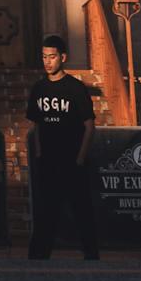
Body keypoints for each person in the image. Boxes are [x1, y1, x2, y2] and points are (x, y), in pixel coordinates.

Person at [24, 32, 100, 262]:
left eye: (52, 57)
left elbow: (89, 126)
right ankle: (38, 258)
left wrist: (79, 159)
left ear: (63, 58)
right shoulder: (39, 89)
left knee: (82, 212)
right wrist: (38, 153)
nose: (47, 61)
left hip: (72, 162)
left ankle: (91, 257)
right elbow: (36, 124)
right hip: (48, 161)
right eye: (44, 57)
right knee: (45, 212)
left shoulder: (75, 88)